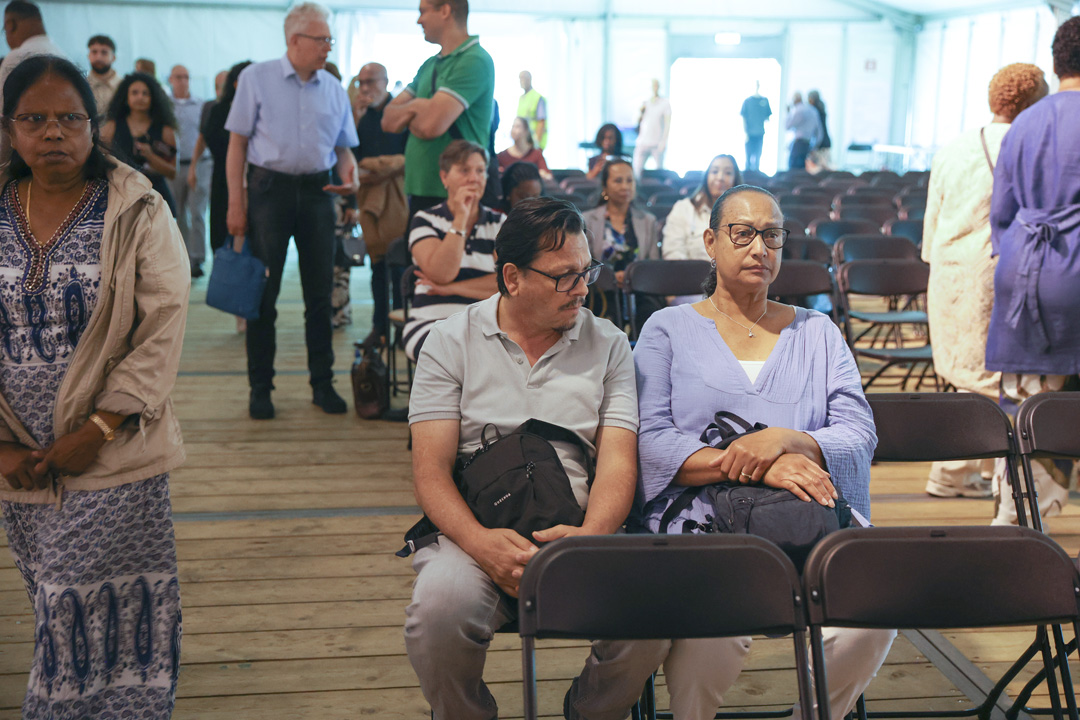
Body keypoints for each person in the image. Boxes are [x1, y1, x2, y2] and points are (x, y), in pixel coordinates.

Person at [632, 184, 895, 720]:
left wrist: (790, 440)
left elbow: (858, 432)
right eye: (743, 233)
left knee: (872, 611)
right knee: (716, 630)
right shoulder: (668, 329)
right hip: (702, 520)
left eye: (772, 235)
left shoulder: (818, 332)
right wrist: (762, 468)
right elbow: (651, 440)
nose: (759, 248)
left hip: (803, 515)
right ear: (711, 242)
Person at [405, 196, 665, 720]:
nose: (582, 288)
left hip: (582, 528)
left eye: (587, 271)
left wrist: (589, 539)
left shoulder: (609, 344)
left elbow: (618, 463)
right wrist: (481, 544)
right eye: (565, 277)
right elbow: (430, 472)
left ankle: (590, 711)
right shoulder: (450, 342)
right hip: (477, 529)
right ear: (513, 278)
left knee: (653, 614)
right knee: (437, 613)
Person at [0, 54, 189, 719]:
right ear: (9, 128)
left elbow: (163, 323)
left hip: (114, 451)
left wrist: (101, 426)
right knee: (59, 602)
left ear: (94, 125)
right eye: (34, 119)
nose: (53, 132)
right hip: (21, 462)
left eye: (70, 118)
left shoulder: (137, 208)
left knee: (72, 610)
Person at [225, 2, 360, 420]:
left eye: (330, 40)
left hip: (319, 193)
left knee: (320, 294)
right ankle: (260, 388)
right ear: (295, 40)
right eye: (322, 39)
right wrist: (236, 203)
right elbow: (237, 145)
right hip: (268, 192)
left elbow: (343, 149)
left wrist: (351, 175)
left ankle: (322, 384)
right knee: (262, 296)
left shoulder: (334, 88)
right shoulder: (256, 78)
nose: (328, 47)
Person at [922, 63, 1047, 500]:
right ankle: (972, 473)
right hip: (992, 272)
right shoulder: (1029, 145)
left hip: (947, 271)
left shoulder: (953, 147)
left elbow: (931, 224)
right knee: (993, 376)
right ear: (1032, 102)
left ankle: (956, 471)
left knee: (964, 374)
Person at [986, 16, 1080, 526]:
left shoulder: (1024, 122)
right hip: (1073, 268)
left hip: (1024, 270)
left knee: (1028, 408)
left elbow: (1001, 213)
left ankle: (1014, 517)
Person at [382, 0, 495, 218]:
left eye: (423, 12)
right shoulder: (429, 65)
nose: (419, 20)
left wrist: (412, 109)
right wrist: (421, 106)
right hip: (421, 189)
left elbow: (430, 126)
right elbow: (388, 120)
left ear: (445, 10)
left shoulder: (475, 60)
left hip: (457, 193)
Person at [402, 139, 504, 363]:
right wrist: (460, 220)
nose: (474, 178)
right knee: (456, 354)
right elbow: (442, 273)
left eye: (480, 171)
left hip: (488, 324)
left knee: (494, 353)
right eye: (465, 170)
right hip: (431, 322)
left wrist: (450, 289)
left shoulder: (500, 223)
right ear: (444, 177)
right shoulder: (425, 220)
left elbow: (509, 284)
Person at [351, 60, 408, 348]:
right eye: (360, 82)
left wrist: (379, 167)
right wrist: (356, 117)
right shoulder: (361, 115)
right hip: (369, 196)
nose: (365, 88)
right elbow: (351, 157)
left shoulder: (399, 111)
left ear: (385, 82)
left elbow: (407, 157)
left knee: (398, 264)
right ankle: (380, 329)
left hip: (397, 196)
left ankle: (402, 330)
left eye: (370, 81)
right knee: (377, 265)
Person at [583, 158, 661, 326]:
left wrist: (631, 278)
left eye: (629, 180)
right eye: (618, 181)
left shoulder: (648, 220)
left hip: (638, 290)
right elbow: (584, 264)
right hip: (600, 290)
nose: (625, 186)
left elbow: (652, 264)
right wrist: (611, 277)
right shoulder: (588, 219)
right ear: (605, 186)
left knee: (651, 315)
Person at [190, 60, 249, 258]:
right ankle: (223, 262)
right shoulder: (218, 109)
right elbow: (207, 139)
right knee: (220, 224)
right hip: (222, 174)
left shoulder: (262, 109)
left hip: (254, 178)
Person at [101, 72, 178, 216]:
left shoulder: (165, 130)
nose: (140, 97)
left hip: (157, 197)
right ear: (126, 97)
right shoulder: (112, 127)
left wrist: (151, 156)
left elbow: (172, 172)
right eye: (135, 93)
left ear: (153, 98)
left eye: (145, 93)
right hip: (122, 197)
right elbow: (101, 161)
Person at [168, 64, 211, 277]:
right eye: (178, 77)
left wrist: (196, 165)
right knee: (177, 214)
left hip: (199, 165)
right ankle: (182, 257)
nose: (183, 81)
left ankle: (197, 259)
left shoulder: (201, 105)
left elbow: (205, 136)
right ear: (170, 80)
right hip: (173, 167)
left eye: (186, 77)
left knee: (197, 213)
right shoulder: (165, 106)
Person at [663, 154, 741, 261]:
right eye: (714, 171)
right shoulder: (683, 208)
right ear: (706, 176)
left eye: (728, 173)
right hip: (690, 271)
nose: (720, 178)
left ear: (735, 179)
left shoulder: (745, 213)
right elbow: (673, 253)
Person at [0, 1, 64, 94]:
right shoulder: (63, 55)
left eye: (4, 30)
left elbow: (2, 102)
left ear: (10, 26)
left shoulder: (15, 58)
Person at [634, 78, 672, 176]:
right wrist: (641, 112)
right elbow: (638, 122)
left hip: (657, 143)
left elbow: (667, 124)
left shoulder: (664, 103)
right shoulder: (645, 103)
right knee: (636, 170)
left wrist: (663, 141)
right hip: (643, 141)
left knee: (659, 171)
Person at [785, 91, 821, 172]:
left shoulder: (798, 110)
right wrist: (814, 147)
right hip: (808, 145)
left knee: (793, 171)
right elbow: (819, 133)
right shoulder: (813, 110)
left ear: (795, 100)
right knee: (803, 172)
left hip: (798, 144)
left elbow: (787, 126)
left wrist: (788, 113)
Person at [86, 34, 120, 117]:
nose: (98, 57)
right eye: (94, 52)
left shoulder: (124, 86)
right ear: (88, 56)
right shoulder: (80, 85)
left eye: (104, 52)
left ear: (113, 57)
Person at [740, 81, 771, 172]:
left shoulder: (764, 101)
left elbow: (767, 117)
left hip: (760, 133)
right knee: (748, 158)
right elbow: (743, 117)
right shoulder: (747, 101)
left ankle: (756, 174)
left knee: (757, 157)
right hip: (750, 133)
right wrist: (745, 132)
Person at [516, 69, 547, 149]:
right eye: (520, 78)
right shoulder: (521, 98)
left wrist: (535, 144)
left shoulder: (538, 97)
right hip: (524, 143)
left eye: (523, 78)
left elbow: (541, 122)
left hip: (534, 144)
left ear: (529, 79)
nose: (521, 81)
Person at [806, 90, 831, 167]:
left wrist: (815, 145)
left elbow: (819, 131)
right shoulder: (821, 108)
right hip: (825, 142)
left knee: (819, 169)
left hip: (821, 144)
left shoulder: (814, 111)